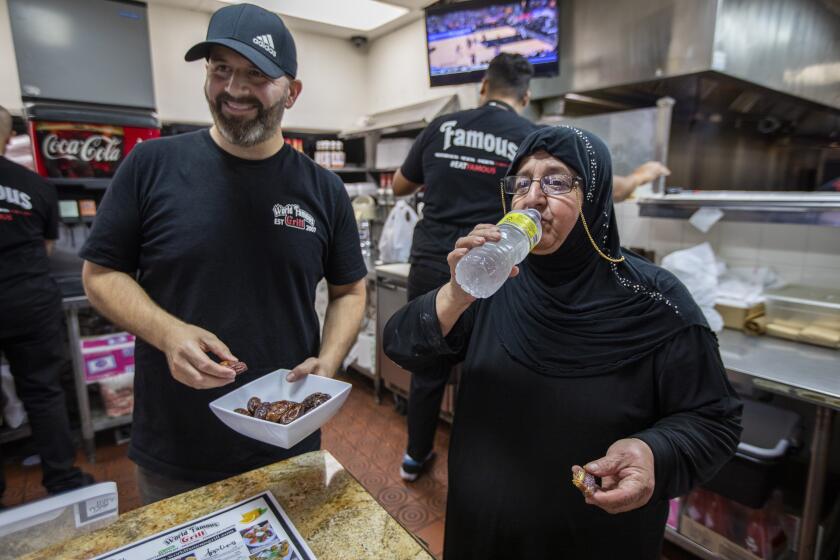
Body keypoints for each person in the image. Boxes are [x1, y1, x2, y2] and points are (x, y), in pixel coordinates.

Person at [384, 125, 741, 558]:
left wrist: (653, 452)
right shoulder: (495, 283)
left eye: (556, 181)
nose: (533, 197)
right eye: (522, 182)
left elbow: (714, 420)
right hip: (481, 531)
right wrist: (455, 293)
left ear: (594, 197)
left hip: (592, 539)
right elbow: (402, 348)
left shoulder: (655, 301)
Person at [80, 4, 367, 504]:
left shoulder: (324, 190)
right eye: (221, 69)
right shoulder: (151, 164)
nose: (234, 89)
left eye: (256, 75)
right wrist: (168, 333)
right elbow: (101, 274)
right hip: (177, 445)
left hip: (288, 439)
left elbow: (350, 290)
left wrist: (330, 359)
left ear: (291, 91)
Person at [391, 53, 539, 481]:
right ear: (525, 96)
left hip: (432, 259)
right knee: (483, 367)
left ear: (483, 86)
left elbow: (402, 184)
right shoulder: (530, 139)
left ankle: (414, 458)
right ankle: (477, 471)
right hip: (493, 264)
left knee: (427, 362)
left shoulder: (443, 126)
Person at [0, 106, 93, 502]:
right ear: (9, 137)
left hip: (29, 299)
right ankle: (61, 478)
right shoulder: (34, 185)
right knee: (44, 392)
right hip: (30, 299)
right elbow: (48, 247)